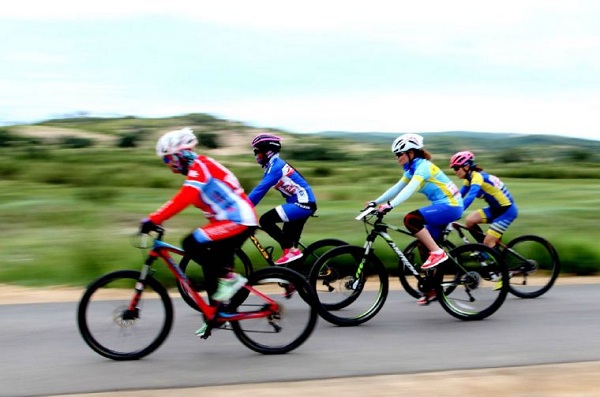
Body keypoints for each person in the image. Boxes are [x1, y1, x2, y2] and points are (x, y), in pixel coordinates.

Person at [139, 127, 258, 337]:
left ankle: (231, 281)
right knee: (209, 265)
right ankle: (215, 316)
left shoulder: (199, 166)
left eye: (168, 160)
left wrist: (154, 219)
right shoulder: (198, 169)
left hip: (239, 219)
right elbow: (207, 206)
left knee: (191, 243)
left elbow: (183, 198)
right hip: (231, 220)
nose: (169, 166)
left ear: (179, 153)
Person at [366, 133, 464, 305]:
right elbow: (398, 186)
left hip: (450, 205)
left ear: (411, 153)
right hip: (444, 205)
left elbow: (410, 189)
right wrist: (376, 201)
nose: (397, 158)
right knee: (422, 243)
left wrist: (390, 205)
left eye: (399, 154)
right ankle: (433, 288)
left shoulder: (423, 167)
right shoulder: (412, 168)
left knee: (411, 219)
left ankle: (438, 252)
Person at [248, 134, 317, 265]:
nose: (256, 155)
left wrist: (243, 206)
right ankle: (295, 278)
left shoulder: (276, 166)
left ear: (268, 151)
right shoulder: (271, 166)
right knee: (289, 245)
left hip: (302, 204)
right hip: (299, 204)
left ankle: (291, 252)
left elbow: (260, 189)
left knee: (266, 220)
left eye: (258, 151)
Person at [449, 150, 518, 249]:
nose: (455, 172)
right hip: (494, 209)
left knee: (488, 242)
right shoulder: (469, 178)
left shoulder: (477, 177)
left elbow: (470, 196)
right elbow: (459, 196)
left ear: (466, 166)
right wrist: (447, 206)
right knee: (469, 221)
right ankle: (484, 250)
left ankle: (495, 257)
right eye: (453, 169)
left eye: (456, 168)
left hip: (506, 211)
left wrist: (457, 212)